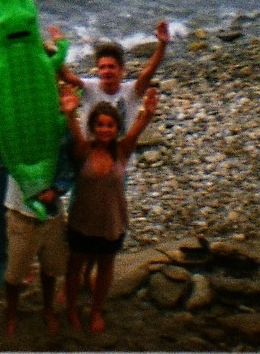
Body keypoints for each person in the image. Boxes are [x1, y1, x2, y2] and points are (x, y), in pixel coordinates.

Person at [0, 31, 73, 337]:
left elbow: (70, 163)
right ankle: (12, 312)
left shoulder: (59, 113)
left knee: (51, 269)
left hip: (52, 210)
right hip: (18, 209)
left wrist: (57, 190)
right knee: (14, 273)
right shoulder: (13, 103)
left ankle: (48, 309)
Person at [61, 83, 160, 334]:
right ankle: (71, 310)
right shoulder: (84, 150)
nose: (104, 129)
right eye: (100, 125)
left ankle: (96, 311)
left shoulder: (122, 150)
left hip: (112, 222)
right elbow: (73, 128)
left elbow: (138, 128)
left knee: (105, 267)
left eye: (110, 125)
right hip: (82, 222)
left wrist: (148, 113)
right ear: (93, 128)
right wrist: (70, 112)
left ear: (117, 129)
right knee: (74, 267)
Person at [60, 20, 170, 135]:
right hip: (91, 145)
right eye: (102, 67)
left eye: (111, 67)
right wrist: (54, 53)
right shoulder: (89, 87)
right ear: (98, 70)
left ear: (122, 70)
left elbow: (149, 71)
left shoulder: (132, 91)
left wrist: (162, 44)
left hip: (122, 146)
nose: (107, 71)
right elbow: (67, 76)